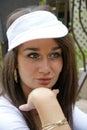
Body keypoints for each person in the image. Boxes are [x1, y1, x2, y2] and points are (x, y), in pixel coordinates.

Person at [0, 5, 87, 130]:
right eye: (33, 55)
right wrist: (45, 100)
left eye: (54, 55)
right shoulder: (4, 114)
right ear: (14, 62)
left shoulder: (65, 104)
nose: (46, 69)